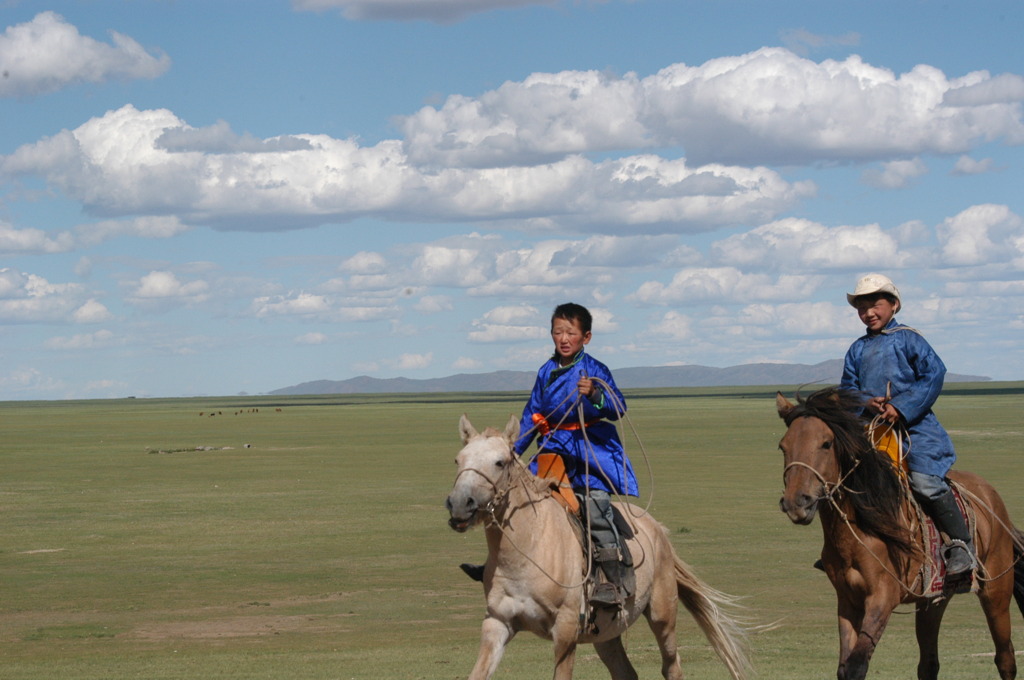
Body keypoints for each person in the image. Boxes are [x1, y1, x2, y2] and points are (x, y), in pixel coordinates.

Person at [460, 302, 638, 608]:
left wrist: (595, 395)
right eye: (558, 332)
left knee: (594, 505)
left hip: (588, 449)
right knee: (514, 500)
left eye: (571, 332)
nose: (564, 338)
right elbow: (532, 414)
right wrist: (509, 454)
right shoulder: (546, 371)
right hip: (553, 447)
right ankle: (496, 567)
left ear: (587, 337)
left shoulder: (595, 370)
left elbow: (618, 407)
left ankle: (613, 579)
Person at [840, 273, 976, 577]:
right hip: (873, 431)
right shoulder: (857, 349)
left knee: (926, 484)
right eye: (862, 309)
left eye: (875, 305)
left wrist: (900, 407)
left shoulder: (909, 338)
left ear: (894, 305)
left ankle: (961, 546)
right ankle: (845, 550)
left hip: (916, 429)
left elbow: (934, 374)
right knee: (847, 482)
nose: (869, 313)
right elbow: (847, 388)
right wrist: (867, 402)